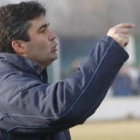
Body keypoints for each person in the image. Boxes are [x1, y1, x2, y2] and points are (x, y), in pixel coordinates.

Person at [0, 1, 134, 140]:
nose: (52, 35)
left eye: (48, 28)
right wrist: (108, 51)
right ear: (19, 46)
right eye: (42, 30)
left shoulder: (22, 79)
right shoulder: (5, 87)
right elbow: (60, 107)